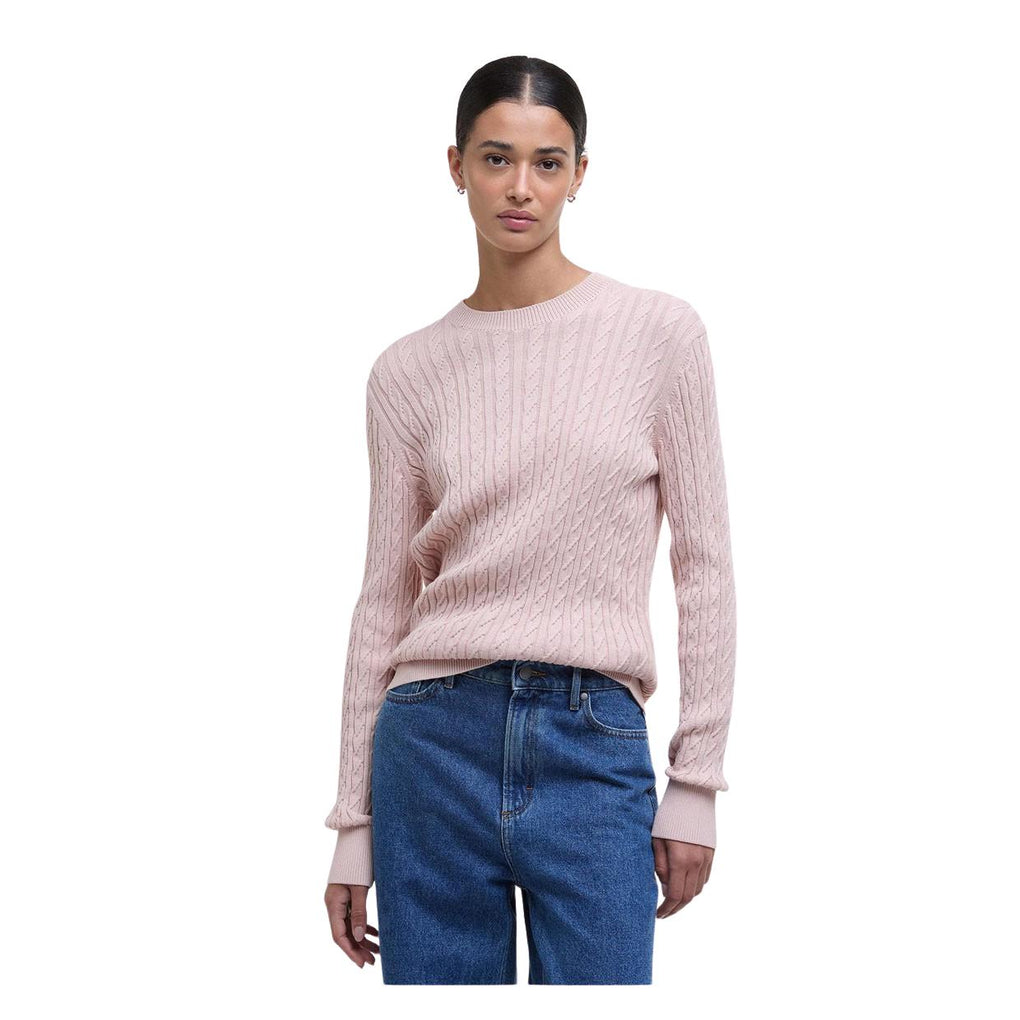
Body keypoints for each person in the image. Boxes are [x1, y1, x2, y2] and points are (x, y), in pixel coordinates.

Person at [322, 54, 737, 985]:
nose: (520, 188)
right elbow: (383, 601)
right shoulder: (406, 372)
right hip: (430, 746)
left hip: (593, 740)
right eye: (496, 158)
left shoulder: (658, 334)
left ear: (579, 174)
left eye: (547, 163)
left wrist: (696, 782)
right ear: (456, 166)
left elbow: (704, 565)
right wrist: (353, 821)